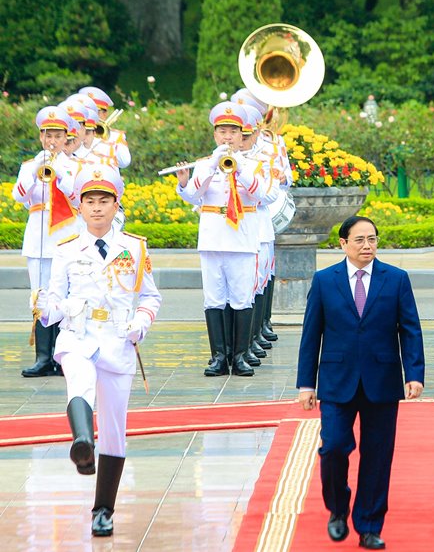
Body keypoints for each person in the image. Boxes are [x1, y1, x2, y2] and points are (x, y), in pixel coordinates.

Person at [36, 165, 161, 537]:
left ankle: (103, 509)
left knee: (115, 429)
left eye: (103, 201)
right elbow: (52, 299)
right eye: (89, 201)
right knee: (79, 381)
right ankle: (82, 442)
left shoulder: (134, 248)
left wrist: (141, 322)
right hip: (78, 334)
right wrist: (50, 308)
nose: (96, 208)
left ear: (115, 204)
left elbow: (151, 296)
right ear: (79, 207)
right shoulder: (66, 251)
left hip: (117, 340)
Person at [297, 216, 425, 550]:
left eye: (372, 239)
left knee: (378, 455)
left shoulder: (396, 279)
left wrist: (414, 374)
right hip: (336, 381)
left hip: (382, 381)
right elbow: (312, 334)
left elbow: (410, 329)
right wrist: (306, 384)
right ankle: (338, 508)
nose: (367, 246)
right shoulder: (325, 281)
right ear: (343, 244)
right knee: (335, 447)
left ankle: (369, 524)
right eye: (360, 240)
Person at [174, 102, 265, 377]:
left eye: (233, 132)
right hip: (213, 238)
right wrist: (196, 174)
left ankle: (239, 356)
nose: (227, 137)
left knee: (241, 298)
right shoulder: (205, 164)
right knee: (214, 298)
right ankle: (218, 357)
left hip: (242, 239)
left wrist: (239, 169)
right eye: (222, 131)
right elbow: (192, 195)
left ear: (241, 135)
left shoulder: (253, 164)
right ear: (215, 135)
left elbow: (263, 194)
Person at [14, 106, 80, 377]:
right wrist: (36, 170)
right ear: (41, 137)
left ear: (66, 138)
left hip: (66, 238)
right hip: (39, 238)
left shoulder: (74, 166)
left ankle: (63, 356)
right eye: (47, 135)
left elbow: (75, 196)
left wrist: (60, 170)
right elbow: (18, 196)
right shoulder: (30, 166)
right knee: (40, 296)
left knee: (65, 295)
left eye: (57, 135)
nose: (52, 140)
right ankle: (43, 356)